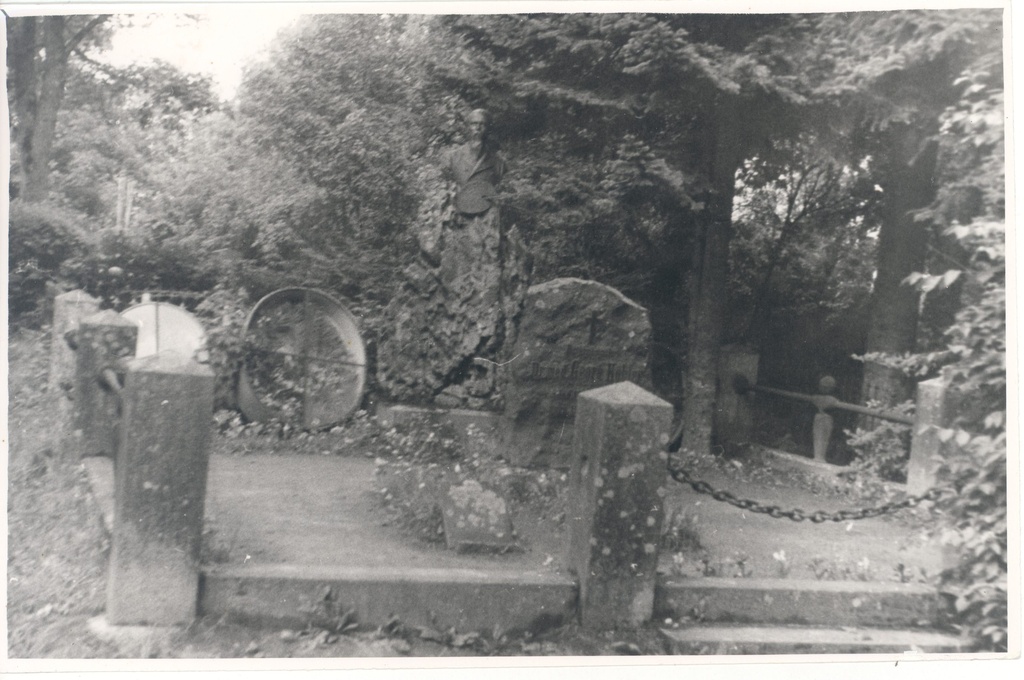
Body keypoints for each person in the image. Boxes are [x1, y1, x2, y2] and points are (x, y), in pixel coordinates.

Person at [445, 109, 506, 218]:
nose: (477, 128)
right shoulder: (452, 157)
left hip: (486, 218)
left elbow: (501, 192)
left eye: (482, 124)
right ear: (467, 127)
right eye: (474, 124)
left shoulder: (498, 162)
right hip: (458, 218)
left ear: (488, 129)